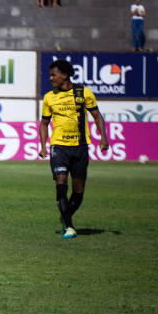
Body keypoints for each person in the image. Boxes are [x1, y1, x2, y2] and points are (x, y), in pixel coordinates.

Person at [38, 59, 109, 239]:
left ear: (65, 75)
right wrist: (44, 146)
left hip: (80, 147)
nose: (51, 78)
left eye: (54, 75)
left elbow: (96, 115)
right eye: (50, 75)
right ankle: (69, 227)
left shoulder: (83, 92)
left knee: (78, 191)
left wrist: (103, 137)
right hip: (59, 147)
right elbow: (44, 123)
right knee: (60, 182)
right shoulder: (49, 97)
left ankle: (65, 216)